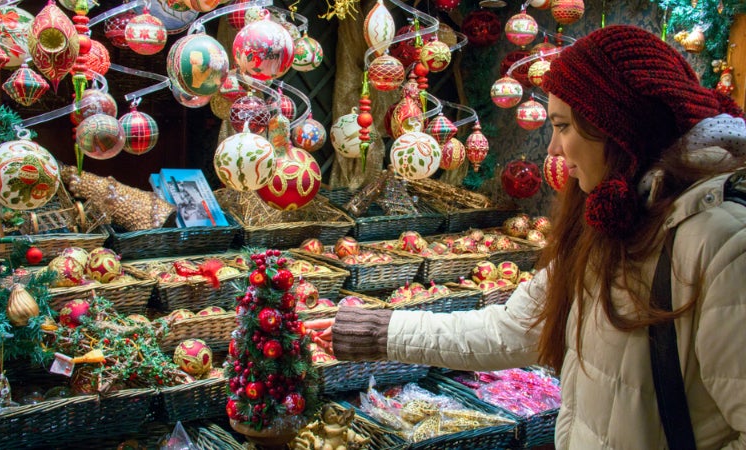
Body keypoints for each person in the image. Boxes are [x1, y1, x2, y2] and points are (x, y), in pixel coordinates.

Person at [306, 25, 746, 449]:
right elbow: (508, 329)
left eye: (564, 126)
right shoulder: (609, 228)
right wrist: (372, 330)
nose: (553, 149)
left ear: (617, 126)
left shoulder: (722, 246)